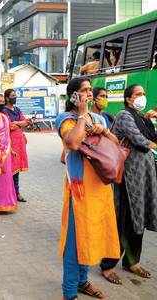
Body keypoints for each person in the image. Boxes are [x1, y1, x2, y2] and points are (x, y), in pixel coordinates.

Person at [55, 77, 120, 300]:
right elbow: (72, 143)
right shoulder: (66, 119)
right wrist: (82, 115)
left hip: (100, 187)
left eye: (91, 89)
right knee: (76, 240)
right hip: (80, 189)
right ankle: (70, 291)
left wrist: (103, 131)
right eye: (84, 90)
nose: (89, 94)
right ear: (73, 95)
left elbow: (115, 145)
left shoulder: (99, 117)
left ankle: (83, 281)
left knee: (92, 236)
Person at [99, 84, 157, 284]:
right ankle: (108, 265)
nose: (142, 97)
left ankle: (132, 262)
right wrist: (152, 144)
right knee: (123, 220)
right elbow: (140, 140)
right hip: (128, 178)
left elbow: (152, 136)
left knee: (138, 219)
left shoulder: (141, 117)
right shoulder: (125, 115)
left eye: (143, 93)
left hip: (143, 177)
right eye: (138, 94)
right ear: (128, 98)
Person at [3, 89, 29, 203]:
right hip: (10, 142)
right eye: (13, 96)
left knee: (16, 169)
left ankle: (16, 192)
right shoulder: (4, 111)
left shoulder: (17, 109)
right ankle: (9, 193)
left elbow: (25, 122)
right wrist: (20, 123)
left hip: (19, 142)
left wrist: (17, 123)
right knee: (9, 168)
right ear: (7, 98)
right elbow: (9, 126)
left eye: (15, 95)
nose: (15, 97)